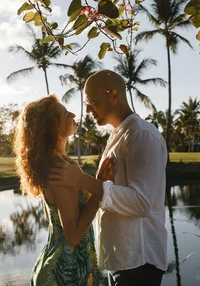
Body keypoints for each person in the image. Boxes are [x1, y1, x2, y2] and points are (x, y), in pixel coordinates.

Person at [49, 70, 168, 286]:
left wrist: (83, 180)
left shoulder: (141, 135)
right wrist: (94, 182)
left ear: (114, 96)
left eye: (93, 101)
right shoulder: (118, 135)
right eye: (87, 103)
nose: (87, 110)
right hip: (119, 258)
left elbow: (141, 203)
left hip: (138, 260)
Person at [13, 94, 116, 286]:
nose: (73, 114)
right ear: (52, 129)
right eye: (64, 115)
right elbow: (74, 236)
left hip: (60, 263)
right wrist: (99, 187)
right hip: (65, 272)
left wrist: (92, 182)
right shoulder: (60, 170)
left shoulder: (59, 164)